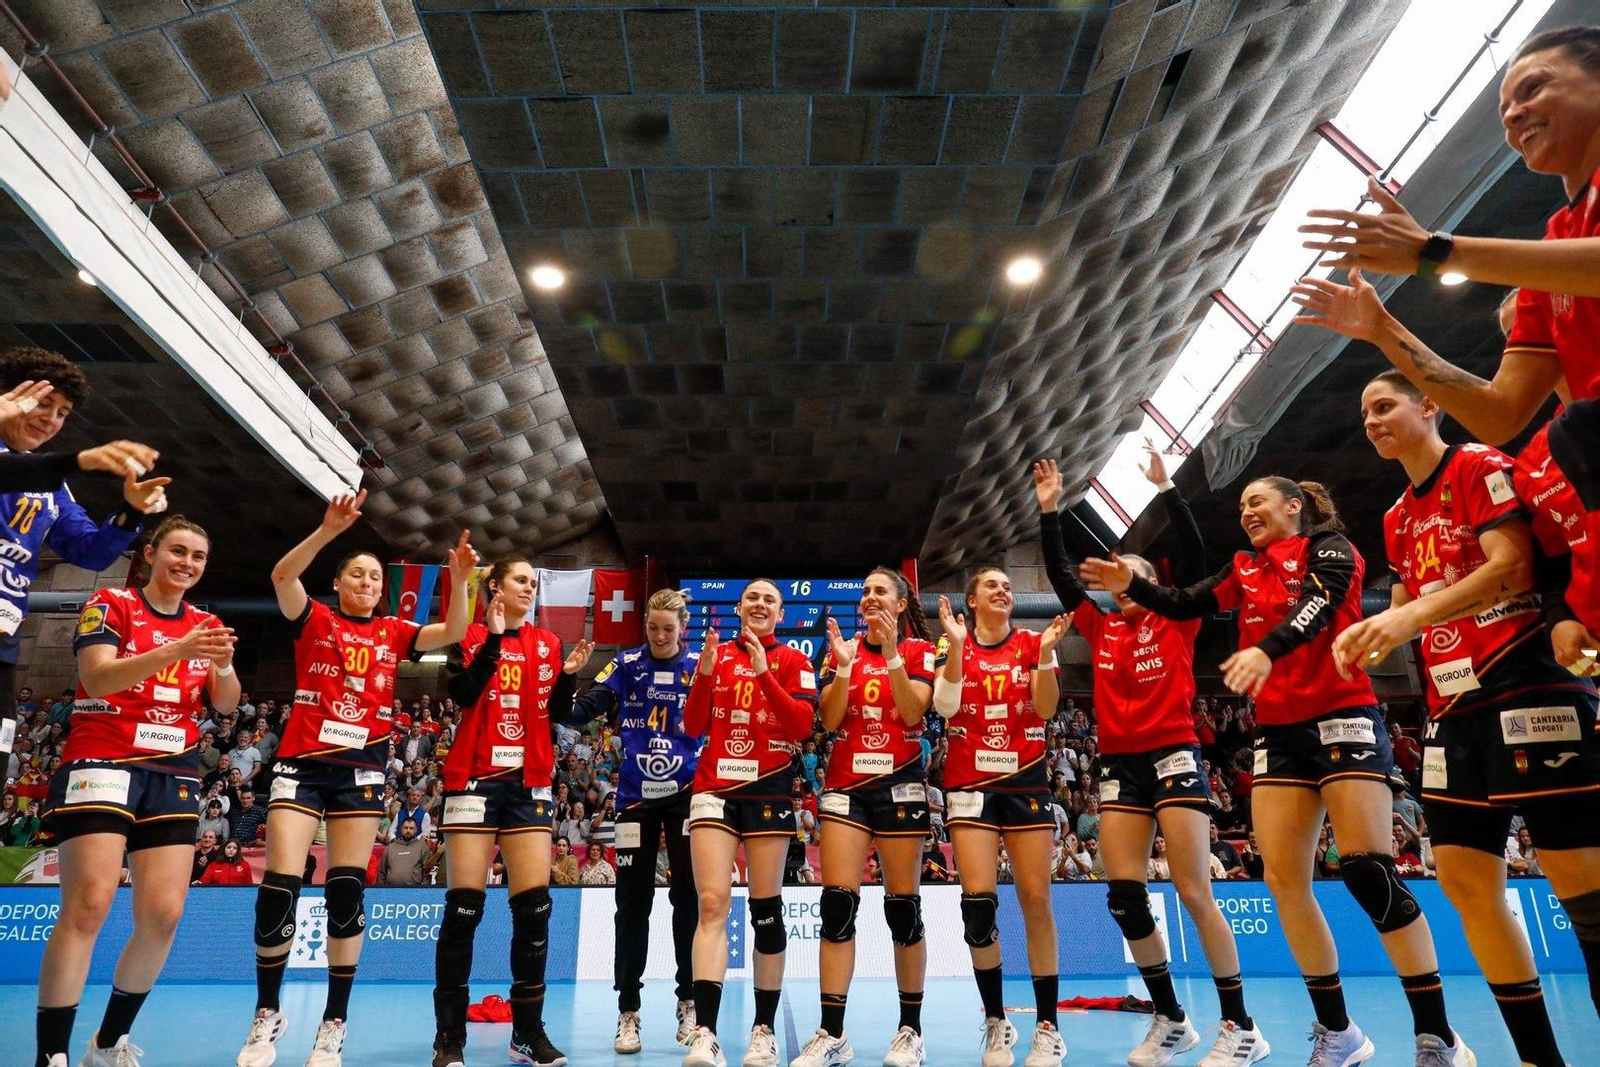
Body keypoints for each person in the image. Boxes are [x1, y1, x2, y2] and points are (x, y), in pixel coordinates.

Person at [1084, 476, 1474, 1066]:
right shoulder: (1243, 566)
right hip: (1279, 734)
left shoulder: (1330, 548)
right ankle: (1339, 1032)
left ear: (1295, 506)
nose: (1246, 513)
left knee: (1368, 872)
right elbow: (1186, 602)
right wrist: (1131, 584)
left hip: (1343, 716)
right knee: (1285, 882)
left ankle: (1437, 1036)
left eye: (1257, 501)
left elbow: (1317, 606)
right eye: (1241, 506)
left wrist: (1266, 648)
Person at [1294, 27, 1600, 670]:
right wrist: (1383, 331)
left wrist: (1438, 252)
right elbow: (1498, 411)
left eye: (1534, 87)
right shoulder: (1551, 248)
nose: (1514, 114)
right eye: (1505, 107)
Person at [1327, 370, 1600, 1064]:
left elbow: (1510, 567)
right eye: (1365, 413)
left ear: (1429, 404)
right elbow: (1419, 606)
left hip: (1528, 683)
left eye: (1383, 404)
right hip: (1454, 705)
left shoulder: (1478, 465)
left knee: (1583, 889)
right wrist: (1382, 633)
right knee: (1467, 883)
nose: (1372, 420)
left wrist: (1406, 614)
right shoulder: (1394, 518)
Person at [1037, 451, 1266, 1066]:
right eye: (1111, 572)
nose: (1116, 578)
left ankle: (1242, 1025)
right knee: (1124, 896)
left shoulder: (1177, 618)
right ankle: (1170, 1017)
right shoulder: (1101, 626)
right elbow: (1061, 577)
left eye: (1127, 570)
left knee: (1194, 891)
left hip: (1174, 756)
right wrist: (1051, 511)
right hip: (1119, 766)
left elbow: (1194, 560)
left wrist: (1168, 490)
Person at [236, 490, 475, 1067]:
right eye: (358, 574)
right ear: (340, 583)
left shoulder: (394, 630)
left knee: (346, 892)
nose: (368, 582)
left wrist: (461, 580)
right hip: (302, 765)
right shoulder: (312, 616)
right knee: (279, 890)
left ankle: (333, 1024)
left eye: (375, 576)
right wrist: (326, 532)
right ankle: (266, 1016)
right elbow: (281, 573)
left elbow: (453, 631)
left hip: (361, 770)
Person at [35, 516, 239, 1067]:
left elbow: (224, 704)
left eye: (198, 556)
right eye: (177, 551)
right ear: (150, 553)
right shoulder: (112, 604)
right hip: (103, 760)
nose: (187, 563)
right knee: (89, 905)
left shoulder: (206, 623)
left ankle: (106, 1044)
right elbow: (98, 677)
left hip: (174, 769)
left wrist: (220, 662)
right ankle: (50, 1055)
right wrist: (179, 649)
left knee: (164, 915)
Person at [429, 556, 589, 1067]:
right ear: (494, 586)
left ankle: (527, 1033)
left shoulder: (548, 644)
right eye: (521, 579)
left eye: (532, 582)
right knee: (464, 910)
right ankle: (450, 1039)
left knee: (535, 909)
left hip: (529, 787)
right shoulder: (467, 636)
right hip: (474, 782)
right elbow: (462, 693)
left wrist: (566, 677)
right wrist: (495, 639)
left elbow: (558, 712)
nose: (529, 587)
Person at [790, 568, 940, 1067]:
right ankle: (832, 1033)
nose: (870, 597)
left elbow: (913, 709)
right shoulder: (843, 648)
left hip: (900, 784)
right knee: (837, 906)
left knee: (903, 909)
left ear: (900, 604)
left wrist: (893, 650)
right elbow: (828, 720)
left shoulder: (920, 651)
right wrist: (845, 668)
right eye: (866, 591)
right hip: (847, 786)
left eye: (881, 591)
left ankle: (910, 1031)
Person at [0, 348, 169, 785]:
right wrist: (78, 460)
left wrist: (130, 513)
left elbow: (91, 552)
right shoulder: (41, 470)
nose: (51, 419)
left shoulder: (52, 489)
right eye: (42, 403)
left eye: (62, 412)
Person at [555, 587, 702, 1054]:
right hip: (636, 800)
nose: (659, 636)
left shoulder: (700, 666)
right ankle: (629, 1011)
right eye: (652, 627)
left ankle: (690, 1002)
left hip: (685, 798)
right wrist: (567, 678)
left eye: (668, 628)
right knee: (632, 906)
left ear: (683, 627)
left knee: (689, 901)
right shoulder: (626, 665)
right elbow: (575, 715)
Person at [933, 572, 1070, 1067]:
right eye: (991, 585)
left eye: (1007, 585)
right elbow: (944, 708)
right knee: (978, 906)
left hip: (1026, 782)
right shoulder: (952, 644)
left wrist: (1048, 654)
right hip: (969, 787)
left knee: (1036, 898)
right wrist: (953, 646)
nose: (1003, 590)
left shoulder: (1034, 642)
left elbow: (1046, 707)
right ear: (972, 600)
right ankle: (996, 1021)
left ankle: (1048, 1027)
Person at [680, 579, 818, 1067]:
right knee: (712, 904)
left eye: (769, 600)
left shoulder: (796, 662)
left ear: (780, 614)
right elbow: (693, 727)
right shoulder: (713, 656)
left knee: (765, 909)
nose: (759, 604)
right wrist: (703, 674)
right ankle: (706, 1034)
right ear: (739, 608)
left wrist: (764, 674)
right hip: (714, 789)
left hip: (769, 791)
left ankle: (763, 1030)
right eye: (752, 598)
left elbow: (802, 727)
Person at [378, 818, 429, 887]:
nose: (408, 830)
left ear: (416, 830)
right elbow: (382, 871)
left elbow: (426, 871)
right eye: (405, 828)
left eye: (411, 828)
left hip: (414, 891)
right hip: (391, 890)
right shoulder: (390, 848)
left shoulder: (422, 847)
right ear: (401, 829)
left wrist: (425, 890)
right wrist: (381, 889)